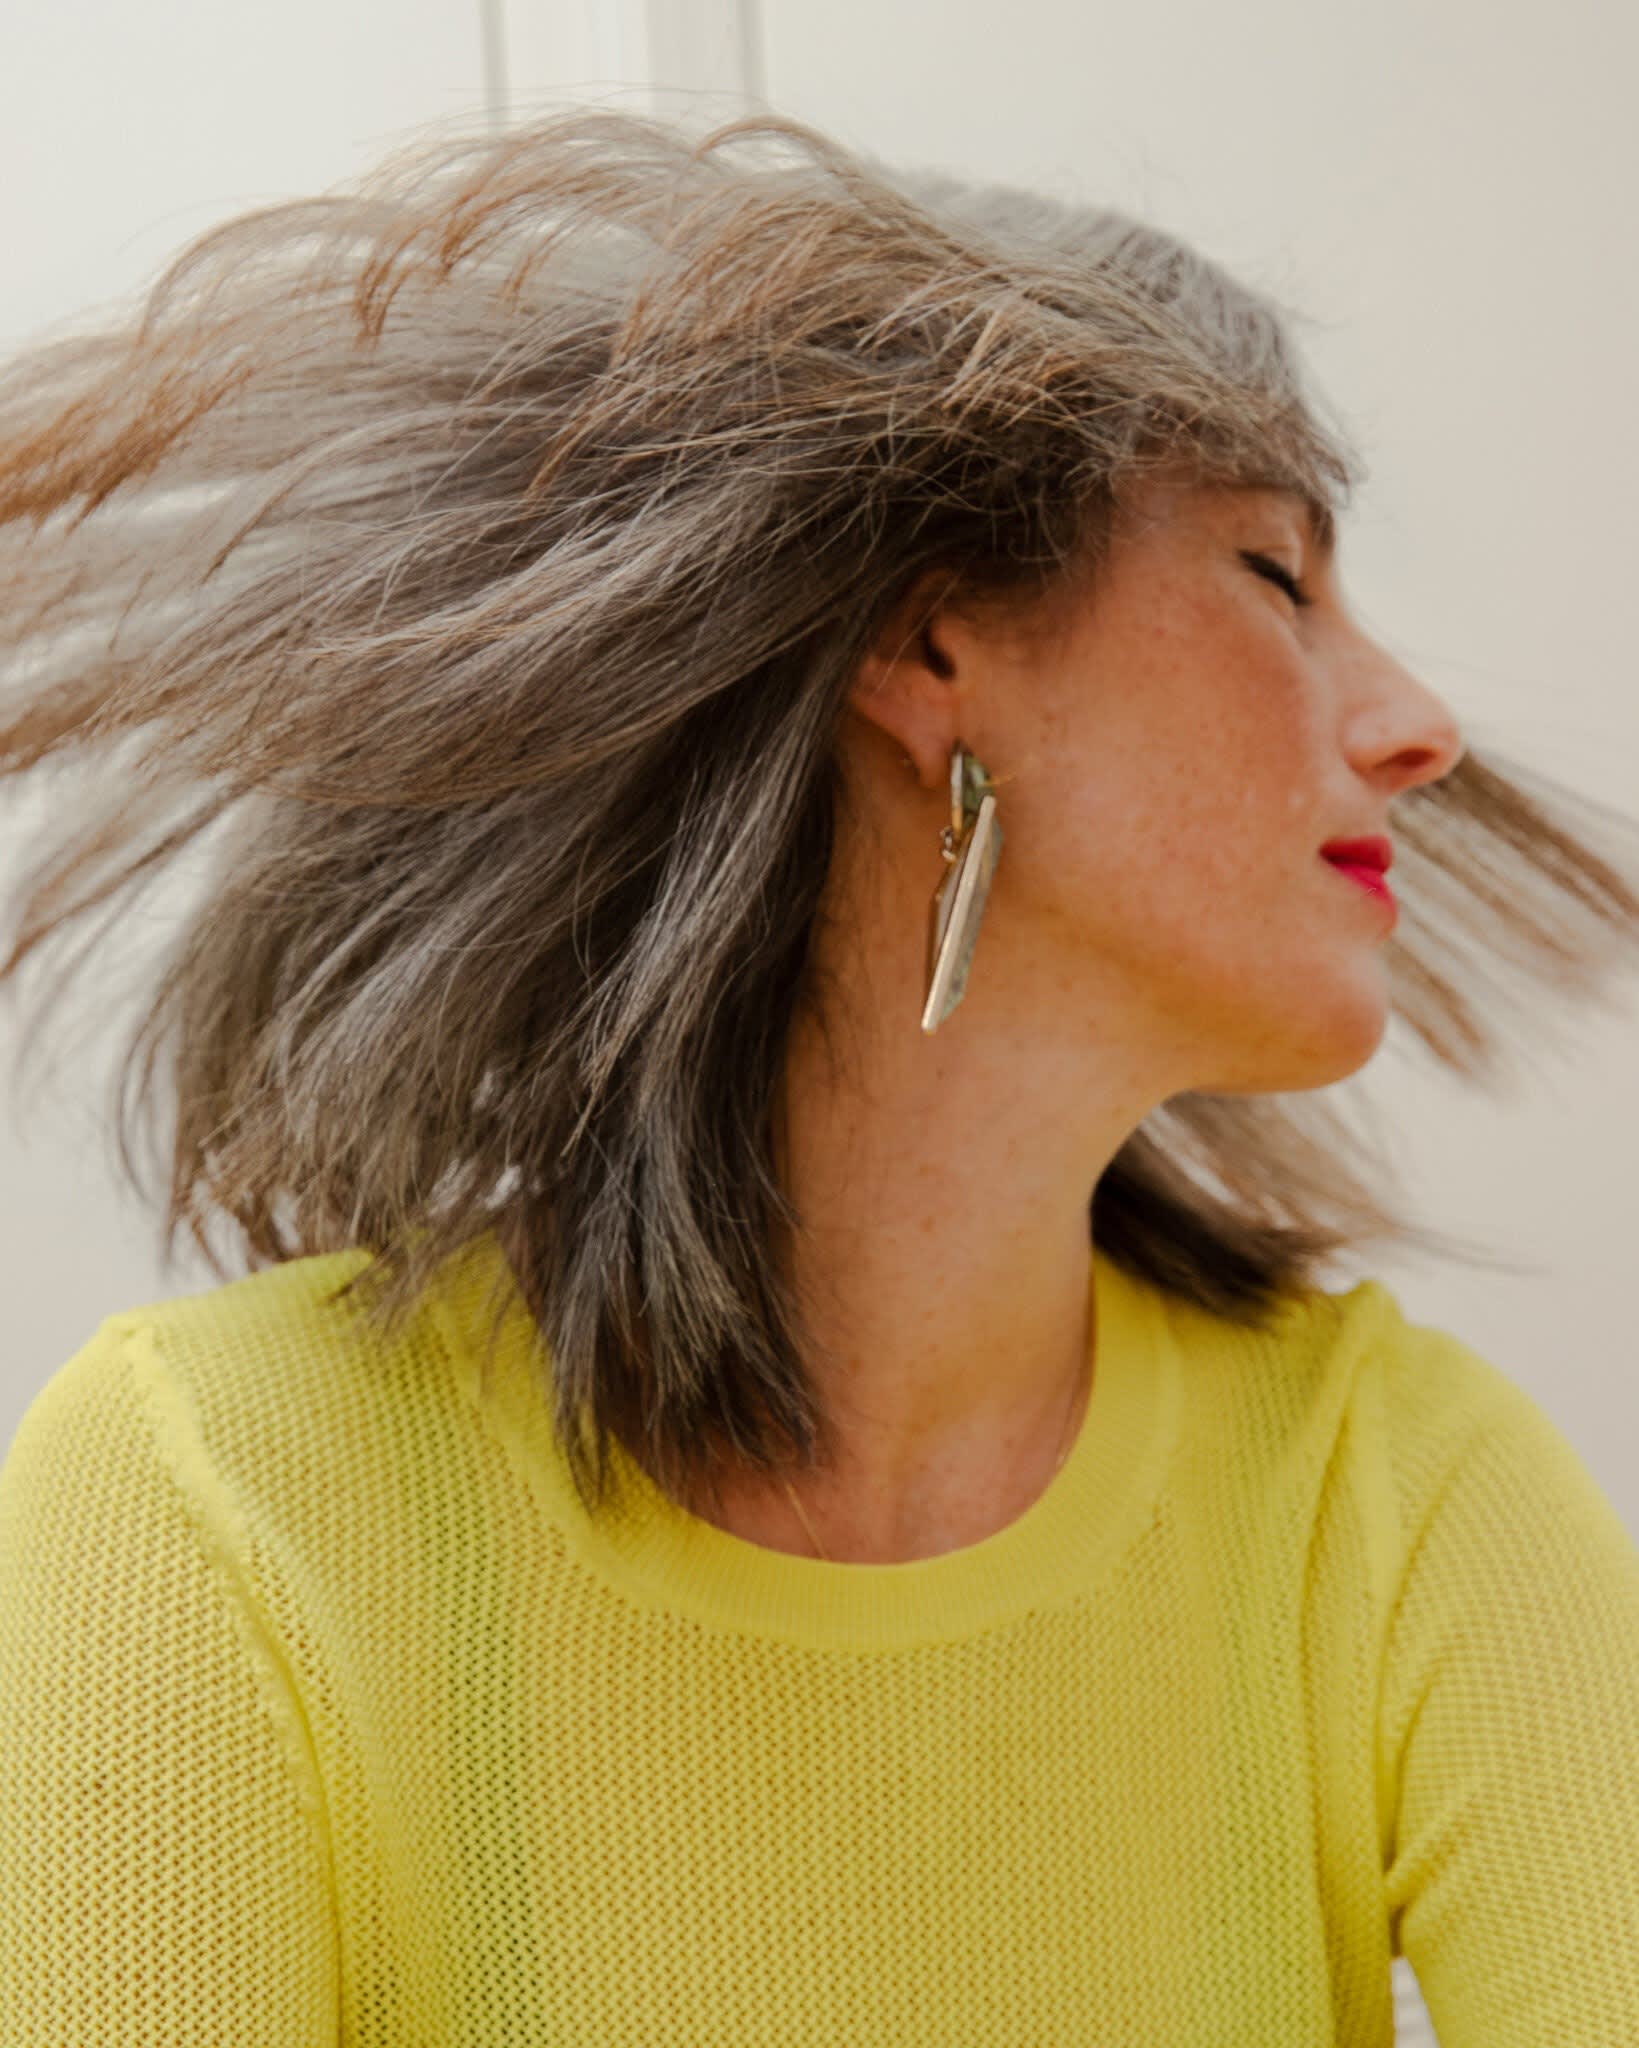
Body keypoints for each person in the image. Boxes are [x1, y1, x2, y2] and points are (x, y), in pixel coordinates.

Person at [2, 103, 1637, 2047]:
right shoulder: (210, 1506)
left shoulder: (1400, 1501)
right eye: (1274, 577)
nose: (1417, 727)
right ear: (926, 636)